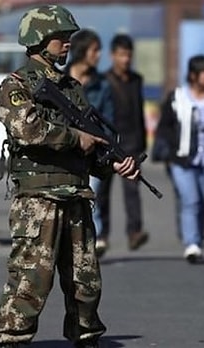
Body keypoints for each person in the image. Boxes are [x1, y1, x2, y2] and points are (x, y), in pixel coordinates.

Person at [0, 6, 139, 348]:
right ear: (38, 39)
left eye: (69, 36)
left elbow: (90, 143)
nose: (67, 42)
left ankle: (86, 335)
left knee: (85, 280)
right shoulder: (16, 85)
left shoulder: (71, 86)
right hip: (38, 201)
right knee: (31, 279)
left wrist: (112, 164)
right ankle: (12, 339)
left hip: (75, 195)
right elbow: (25, 128)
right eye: (60, 36)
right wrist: (75, 137)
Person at [156, 55, 204, 262]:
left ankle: (196, 235)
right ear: (193, 75)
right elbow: (165, 127)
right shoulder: (177, 98)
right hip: (181, 160)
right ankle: (192, 244)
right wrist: (168, 153)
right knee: (191, 200)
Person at [94, 33, 148, 255]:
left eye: (128, 55)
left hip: (132, 142)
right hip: (109, 142)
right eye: (121, 55)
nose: (126, 59)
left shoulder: (136, 80)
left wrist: (142, 140)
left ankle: (135, 232)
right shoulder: (103, 80)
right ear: (112, 55)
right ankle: (102, 235)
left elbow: (139, 111)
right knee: (103, 191)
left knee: (133, 189)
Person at [66, 29, 115, 258]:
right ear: (81, 51)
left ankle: (93, 239)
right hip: (66, 149)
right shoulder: (62, 80)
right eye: (94, 50)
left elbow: (108, 118)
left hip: (93, 151)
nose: (98, 55)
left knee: (92, 194)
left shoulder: (101, 84)